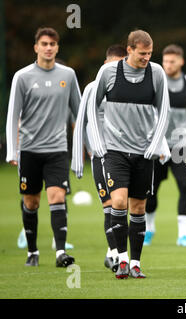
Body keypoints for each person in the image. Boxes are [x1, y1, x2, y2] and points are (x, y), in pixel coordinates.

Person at [87, 30, 170, 279]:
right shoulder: (108, 73)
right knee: (119, 202)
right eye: (142, 53)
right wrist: (98, 143)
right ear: (130, 50)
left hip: (144, 153)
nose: (147, 58)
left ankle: (135, 263)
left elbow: (164, 111)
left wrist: (155, 146)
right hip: (115, 150)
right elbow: (93, 106)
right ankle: (121, 259)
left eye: (150, 54)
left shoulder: (156, 74)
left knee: (138, 207)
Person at [6, 27, 81, 267]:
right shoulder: (23, 77)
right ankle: (32, 251)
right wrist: (12, 150)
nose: (48, 48)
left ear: (57, 47)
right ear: (36, 47)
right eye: (44, 44)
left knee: (57, 195)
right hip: (29, 149)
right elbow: (12, 116)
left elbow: (79, 114)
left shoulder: (68, 75)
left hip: (58, 150)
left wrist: (85, 145)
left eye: (52, 44)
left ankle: (60, 253)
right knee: (32, 202)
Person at [71, 44, 127, 272]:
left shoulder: (128, 88)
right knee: (109, 206)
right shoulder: (92, 88)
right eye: (114, 64)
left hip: (125, 155)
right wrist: (82, 154)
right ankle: (115, 254)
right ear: (105, 64)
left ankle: (112, 252)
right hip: (100, 155)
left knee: (123, 206)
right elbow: (81, 122)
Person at [144, 44, 186, 247]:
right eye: (165, 61)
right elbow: (149, 114)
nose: (167, 65)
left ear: (181, 61)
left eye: (172, 61)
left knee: (185, 187)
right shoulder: (155, 81)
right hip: (158, 146)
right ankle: (149, 229)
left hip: (181, 146)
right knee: (151, 192)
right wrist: (154, 142)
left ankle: (183, 236)